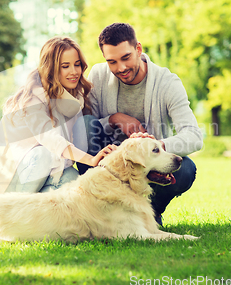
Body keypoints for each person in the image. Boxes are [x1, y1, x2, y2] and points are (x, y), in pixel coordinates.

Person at [78, 23, 203, 225]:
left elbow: (194, 137)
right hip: (109, 165)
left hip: (146, 166)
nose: (121, 68)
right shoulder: (98, 75)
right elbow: (87, 125)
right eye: (112, 61)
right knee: (84, 124)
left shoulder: (168, 83)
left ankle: (150, 214)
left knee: (186, 169)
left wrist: (154, 145)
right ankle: (97, 212)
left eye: (126, 57)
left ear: (138, 49)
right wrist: (114, 119)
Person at [0, 36, 116, 201]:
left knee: (72, 184)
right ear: (51, 69)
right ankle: (10, 212)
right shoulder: (33, 97)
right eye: (65, 66)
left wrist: (115, 120)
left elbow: (89, 127)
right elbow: (49, 138)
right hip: (14, 174)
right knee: (42, 155)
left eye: (77, 64)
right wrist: (91, 160)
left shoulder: (76, 97)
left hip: (52, 169)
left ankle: (34, 215)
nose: (74, 71)